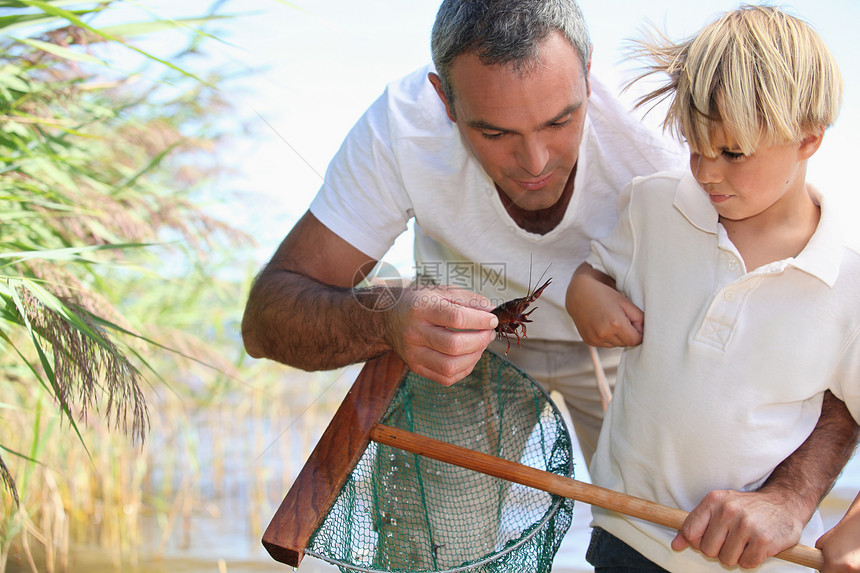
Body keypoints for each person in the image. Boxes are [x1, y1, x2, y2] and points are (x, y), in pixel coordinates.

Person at [241, 0, 858, 567]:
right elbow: (267, 318)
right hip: (462, 344)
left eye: (561, 121)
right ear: (444, 100)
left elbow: (822, 352)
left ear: (589, 77)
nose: (534, 163)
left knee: (650, 531)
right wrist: (388, 317)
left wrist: (790, 496)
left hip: (630, 348)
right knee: (433, 547)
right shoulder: (402, 130)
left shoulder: (681, 158)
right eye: (495, 133)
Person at [566, 5, 860, 571]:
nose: (705, 172)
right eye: (695, 146)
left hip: (760, 564)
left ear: (808, 140)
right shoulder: (654, 205)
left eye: (732, 153)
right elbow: (597, 271)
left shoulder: (848, 283)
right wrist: (584, 291)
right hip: (624, 537)